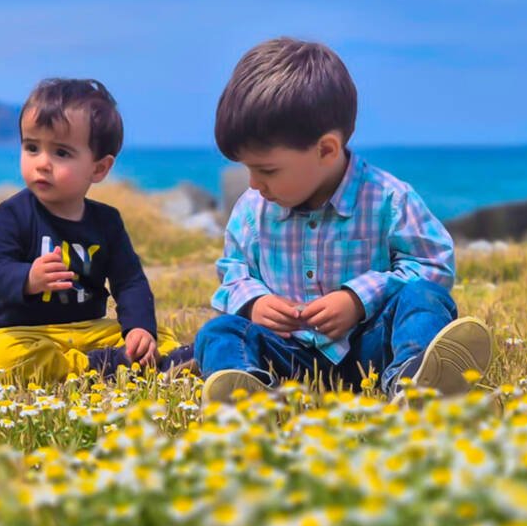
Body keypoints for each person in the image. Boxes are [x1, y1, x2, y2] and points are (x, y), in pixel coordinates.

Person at [195, 38, 492, 406]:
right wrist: (254, 302)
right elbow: (233, 270)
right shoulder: (252, 209)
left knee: (424, 299)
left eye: (266, 170)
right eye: (247, 169)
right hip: (289, 356)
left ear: (325, 150)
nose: (254, 183)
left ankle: (414, 381)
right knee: (219, 332)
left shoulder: (388, 198)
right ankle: (249, 396)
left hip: (370, 350)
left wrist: (358, 299)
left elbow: (434, 265)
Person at [0, 78, 193, 383]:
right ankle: (104, 366)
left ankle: (149, 358)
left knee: (157, 334)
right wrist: (27, 279)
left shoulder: (107, 222)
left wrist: (139, 328)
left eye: (61, 153)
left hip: (90, 329)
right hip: (26, 332)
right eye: (32, 147)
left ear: (99, 168)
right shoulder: (13, 214)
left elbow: (130, 282)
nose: (42, 163)